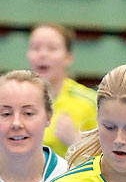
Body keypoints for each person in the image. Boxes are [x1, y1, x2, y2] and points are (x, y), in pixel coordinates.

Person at [26, 22, 98, 154]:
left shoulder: (90, 103)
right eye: (35, 48)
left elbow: (107, 163)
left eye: (52, 48)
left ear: (68, 57)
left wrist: (75, 142)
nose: (42, 54)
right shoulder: (15, 102)